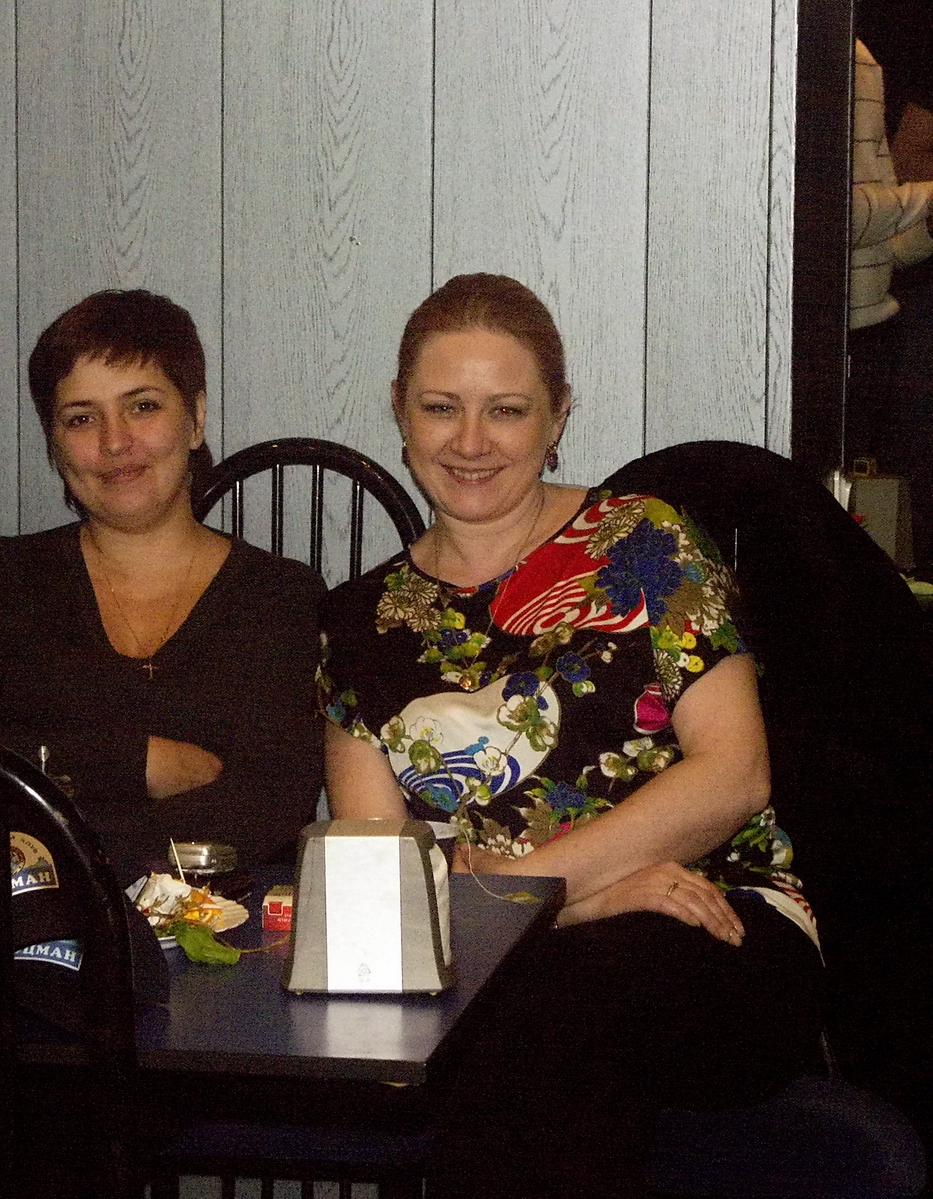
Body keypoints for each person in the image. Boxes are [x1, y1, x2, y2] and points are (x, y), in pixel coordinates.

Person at [318, 274, 823, 1198]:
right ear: (399, 410)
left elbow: (735, 775)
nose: (471, 442)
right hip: (503, 953)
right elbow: (381, 895)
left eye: (506, 410)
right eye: (441, 407)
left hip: (714, 919)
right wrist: (577, 899)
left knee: (547, 1005)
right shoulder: (358, 622)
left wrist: (520, 890)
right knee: (522, 1012)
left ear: (557, 417)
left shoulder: (645, 540)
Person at [0, 288, 325, 885]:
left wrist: (64, 813)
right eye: (81, 418)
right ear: (54, 442)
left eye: (142, 407)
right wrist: (136, 762)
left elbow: (270, 812)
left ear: (195, 418)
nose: (114, 441)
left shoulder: (280, 596)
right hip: (42, 923)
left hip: (226, 928)